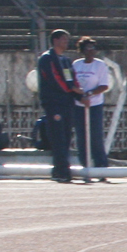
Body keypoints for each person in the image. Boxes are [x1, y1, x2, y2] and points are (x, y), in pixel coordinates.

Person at [35, 29, 80, 183]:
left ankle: (63, 170)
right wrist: (71, 89)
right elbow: (54, 79)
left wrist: (79, 94)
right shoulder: (47, 58)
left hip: (67, 103)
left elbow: (71, 78)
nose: (66, 42)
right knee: (58, 137)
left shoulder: (65, 60)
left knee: (66, 137)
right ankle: (60, 170)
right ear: (55, 40)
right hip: (54, 103)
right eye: (63, 39)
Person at [71, 37, 111, 181]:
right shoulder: (76, 64)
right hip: (79, 105)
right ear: (82, 50)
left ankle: (101, 169)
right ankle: (85, 167)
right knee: (81, 137)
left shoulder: (100, 65)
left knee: (96, 137)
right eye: (88, 48)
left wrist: (90, 94)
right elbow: (72, 82)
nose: (91, 51)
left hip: (94, 105)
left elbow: (104, 85)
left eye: (93, 48)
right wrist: (79, 95)